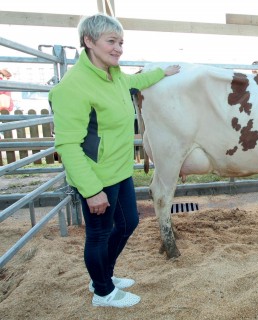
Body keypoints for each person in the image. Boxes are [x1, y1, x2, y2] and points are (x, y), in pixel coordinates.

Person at [48, 13, 180, 308]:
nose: (118, 48)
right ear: (89, 41)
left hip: (120, 172)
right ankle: (103, 292)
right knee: (99, 235)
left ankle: (102, 276)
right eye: (111, 41)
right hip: (96, 177)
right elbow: (68, 145)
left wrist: (163, 72)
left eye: (121, 42)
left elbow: (137, 80)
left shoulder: (114, 74)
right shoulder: (74, 86)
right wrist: (92, 190)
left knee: (129, 222)